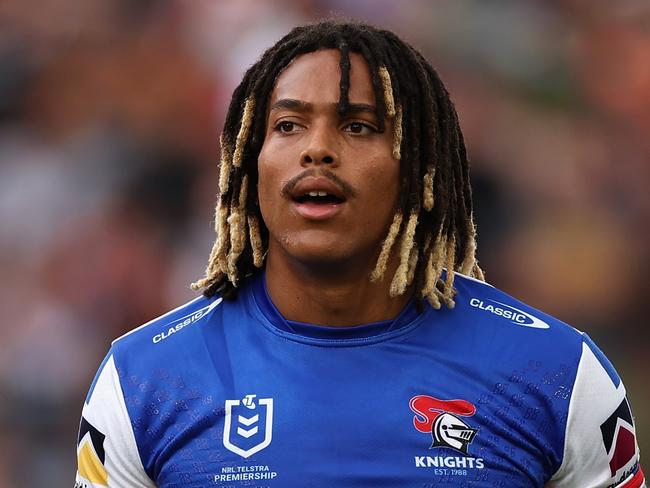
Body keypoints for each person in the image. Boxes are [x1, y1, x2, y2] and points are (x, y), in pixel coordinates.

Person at [75, 20, 644, 488]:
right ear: (249, 162)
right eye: (289, 125)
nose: (317, 149)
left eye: (359, 126)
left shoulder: (559, 375)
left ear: (420, 168)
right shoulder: (143, 380)